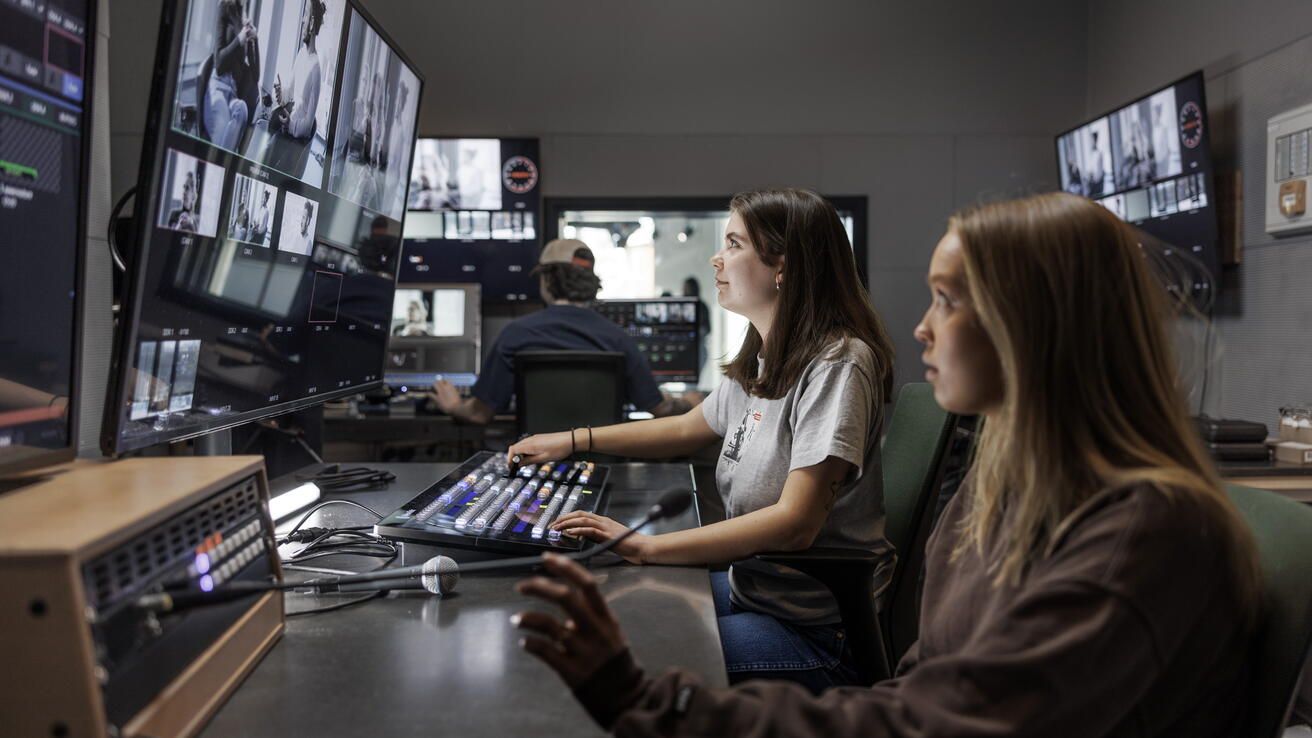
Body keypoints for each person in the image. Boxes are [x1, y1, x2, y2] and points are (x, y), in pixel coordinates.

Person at [511, 191, 1261, 737]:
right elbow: (930, 688)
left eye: (947, 301)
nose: (921, 327)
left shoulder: (1141, 536)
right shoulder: (1004, 490)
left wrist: (656, 704)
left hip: (816, 632)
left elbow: (941, 723)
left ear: (1037, 326)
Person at [508, 188, 898, 693]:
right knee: (609, 602)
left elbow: (796, 524)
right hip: (754, 594)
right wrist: (574, 440)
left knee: (619, 654)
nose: (718, 257)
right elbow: (687, 426)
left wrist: (647, 546)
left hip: (816, 633)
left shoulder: (838, 363)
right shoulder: (764, 354)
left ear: (785, 266)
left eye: (734, 244)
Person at [432, 239, 697, 425]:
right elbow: (659, 409)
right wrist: (687, 402)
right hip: (603, 465)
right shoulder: (618, 339)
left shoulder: (516, 335)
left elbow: (480, 415)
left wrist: (454, 406)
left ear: (547, 279)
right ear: (591, 282)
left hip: (532, 466)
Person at [204, 0, 258, 151]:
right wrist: (239, 40)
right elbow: (219, 64)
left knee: (242, 108)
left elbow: (255, 75)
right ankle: (221, 164)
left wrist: (255, 40)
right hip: (218, 87)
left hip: (232, 94)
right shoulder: (225, 7)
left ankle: (220, 163)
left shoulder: (243, 15)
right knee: (223, 127)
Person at [270, 0, 325, 143]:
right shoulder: (301, 54)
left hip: (295, 141)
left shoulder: (316, 71)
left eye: (305, 15)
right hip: (287, 129)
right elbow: (290, 94)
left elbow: (308, 126)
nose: (302, 21)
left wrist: (290, 125)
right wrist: (282, 93)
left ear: (312, 23)